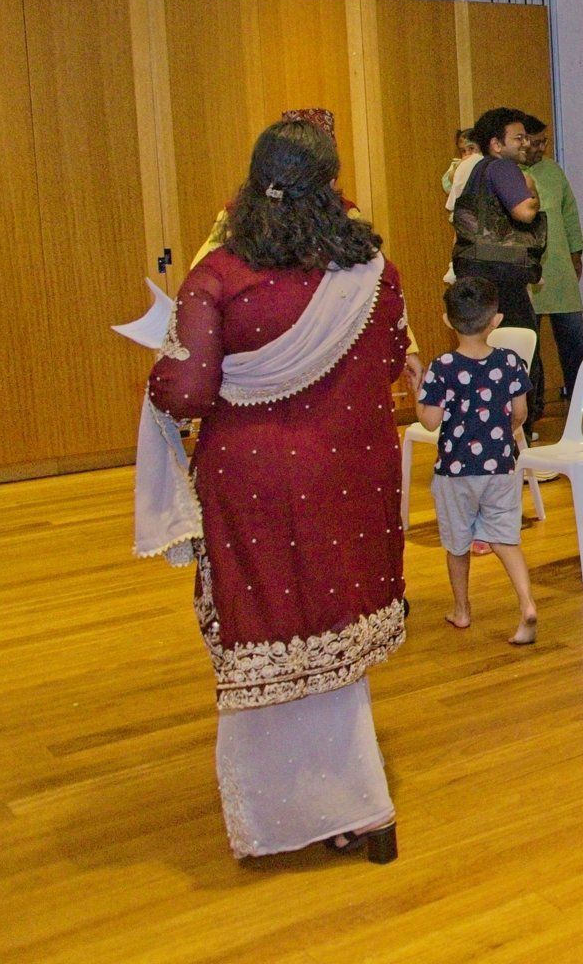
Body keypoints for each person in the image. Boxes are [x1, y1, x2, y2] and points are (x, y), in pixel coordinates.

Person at [143, 119, 408, 862]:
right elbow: (391, 360)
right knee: (332, 624)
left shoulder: (219, 277)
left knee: (266, 628)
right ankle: (356, 802)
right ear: (331, 185)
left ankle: (291, 817)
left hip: (256, 481)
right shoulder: (372, 272)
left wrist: (161, 366)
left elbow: (186, 392)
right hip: (349, 474)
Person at [416, 277, 538, 646]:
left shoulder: (442, 367)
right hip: (500, 467)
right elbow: (520, 413)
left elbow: (430, 421)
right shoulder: (510, 361)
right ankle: (527, 604)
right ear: (496, 320)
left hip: (455, 472)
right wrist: (500, 433)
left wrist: (419, 390)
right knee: (506, 540)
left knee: (457, 545)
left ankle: (462, 610)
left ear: (447, 320)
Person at [453, 107, 544, 435]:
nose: (525, 143)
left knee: (483, 354)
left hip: (477, 274)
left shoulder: (478, 170)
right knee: (518, 352)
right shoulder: (504, 168)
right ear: (496, 144)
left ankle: (486, 430)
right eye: (518, 138)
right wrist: (532, 191)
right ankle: (519, 433)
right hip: (503, 278)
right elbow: (524, 213)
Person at [518, 113, 583, 408]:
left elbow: (570, 212)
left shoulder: (553, 171)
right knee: (528, 345)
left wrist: (576, 252)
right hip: (527, 271)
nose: (541, 148)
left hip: (559, 266)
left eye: (543, 142)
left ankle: (582, 398)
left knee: (573, 339)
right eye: (535, 142)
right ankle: (533, 406)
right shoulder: (508, 173)